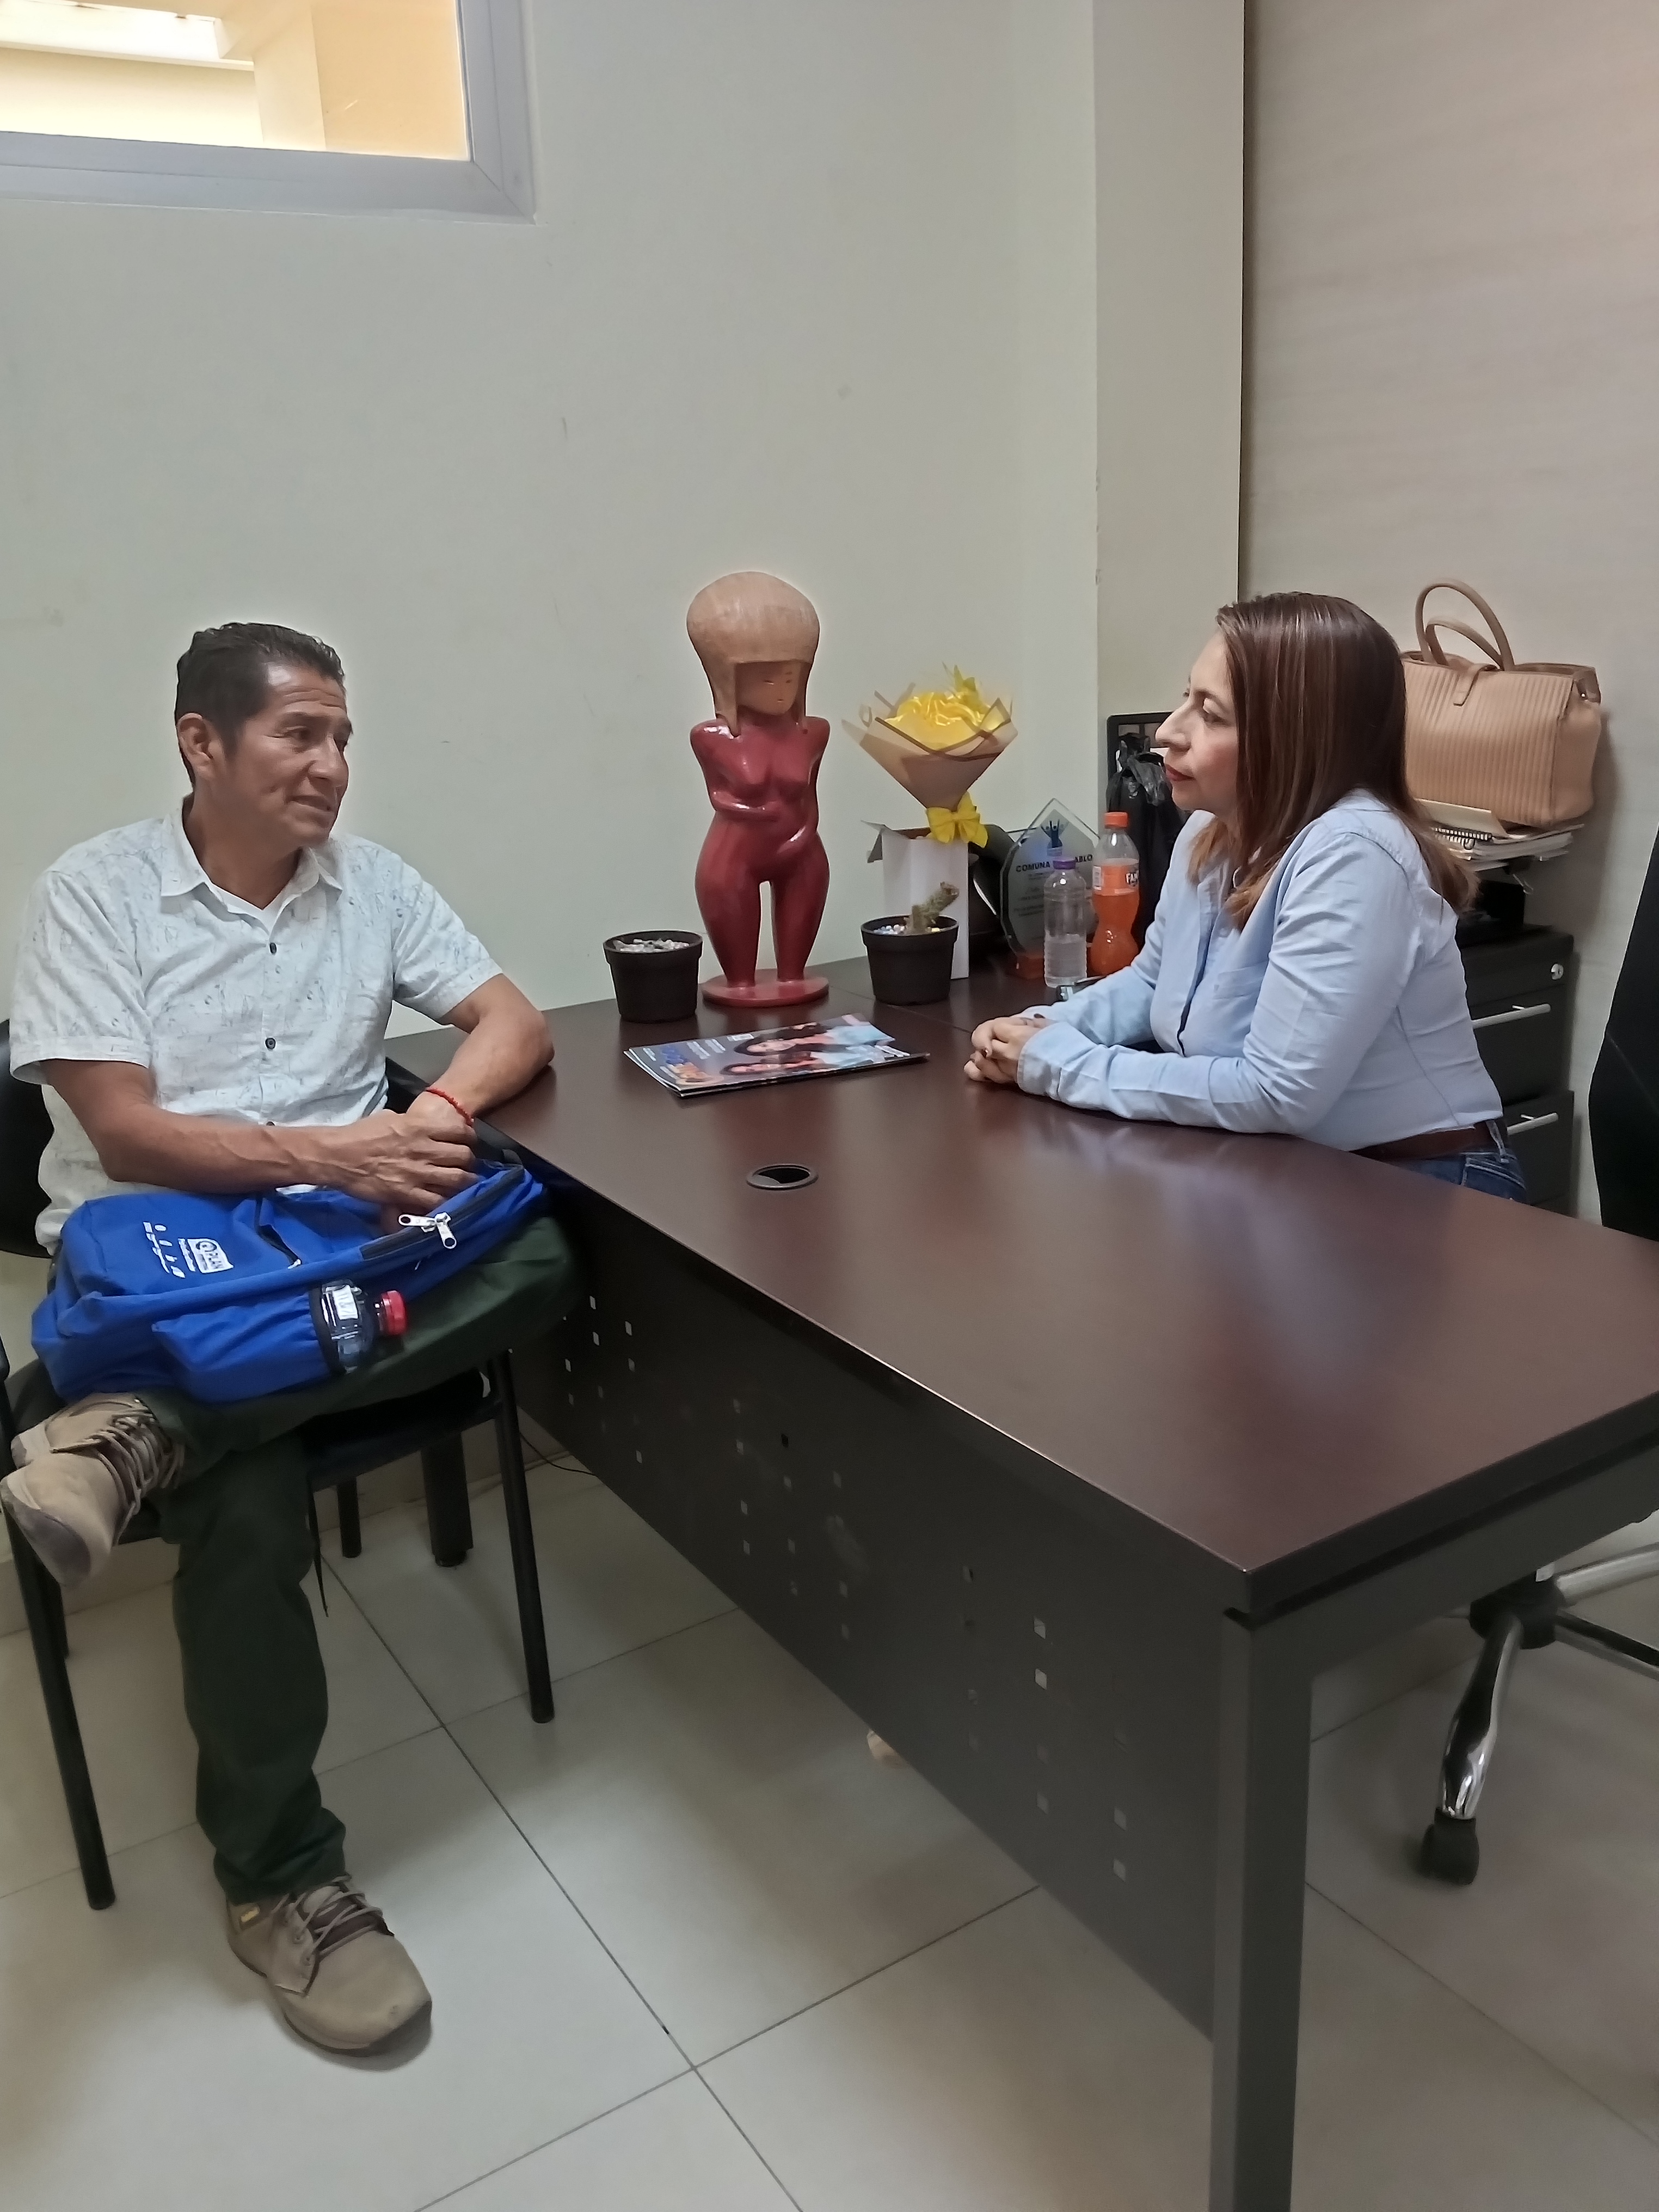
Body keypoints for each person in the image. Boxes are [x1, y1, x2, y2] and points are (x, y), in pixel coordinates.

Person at [2, 622, 579, 2055]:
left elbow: (512, 1022)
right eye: (300, 734)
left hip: (330, 1250)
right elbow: (125, 1133)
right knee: (249, 1496)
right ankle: (280, 1882)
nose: (331, 765)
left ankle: (142, 1433)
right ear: (202, 743)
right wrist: (336, 1156)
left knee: (540, 1250)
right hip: (166, 1257)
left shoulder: (368, 884)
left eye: (343, 738)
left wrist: (427, 1123)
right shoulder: (95, 892)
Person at [966, 592, 1523, 1198]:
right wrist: (1038, 1026)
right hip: (1286, 1166)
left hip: (1419, 1180)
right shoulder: (1211, 829)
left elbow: (1276, 1092)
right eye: (1187, 698)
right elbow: (1154, 980)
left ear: (1295, 737)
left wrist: (1059, 1064)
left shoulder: (1354, 853)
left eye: (1211, 714)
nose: (1167, 732)